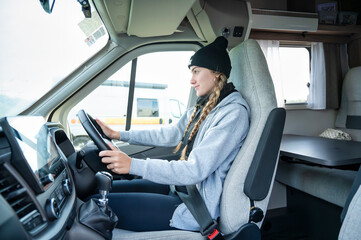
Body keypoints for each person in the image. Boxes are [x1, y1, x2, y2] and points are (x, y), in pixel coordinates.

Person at [95, 36, 250, 232]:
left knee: (96, 206)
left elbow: (195, 170)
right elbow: (171, 133)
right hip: (181, 190)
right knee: (97, 193)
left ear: (216, 74)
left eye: (196, 71)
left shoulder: (233, 113)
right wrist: (119, 134)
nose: (191, 80)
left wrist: (132, 165)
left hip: (195, 208)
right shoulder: (205, 106)